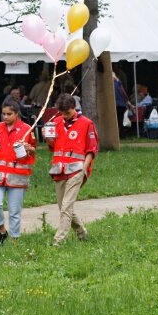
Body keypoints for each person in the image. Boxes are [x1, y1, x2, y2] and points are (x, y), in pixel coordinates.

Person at [45, 92, 98, 246]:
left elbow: (92, 149)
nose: (65, 116)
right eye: (62, 113)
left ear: (74, 107)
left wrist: (84, 169)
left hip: (77, 169)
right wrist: (48, 138)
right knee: (63, 206)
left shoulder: (87, 123)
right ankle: (81, 232)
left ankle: (58, 241)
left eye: (67, 113)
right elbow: (54, 146)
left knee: (66, 207)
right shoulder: (56, 122)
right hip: (59, 170)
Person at [0, 101, 36, 245]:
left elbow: (34, 149)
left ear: (17, 114)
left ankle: (15, 239)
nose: (5, 117)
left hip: (17, 175)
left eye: (9, 114)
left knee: (14, 210)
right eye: (3, 114)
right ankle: (2, 230)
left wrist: (28, 148)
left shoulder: (27, 129)